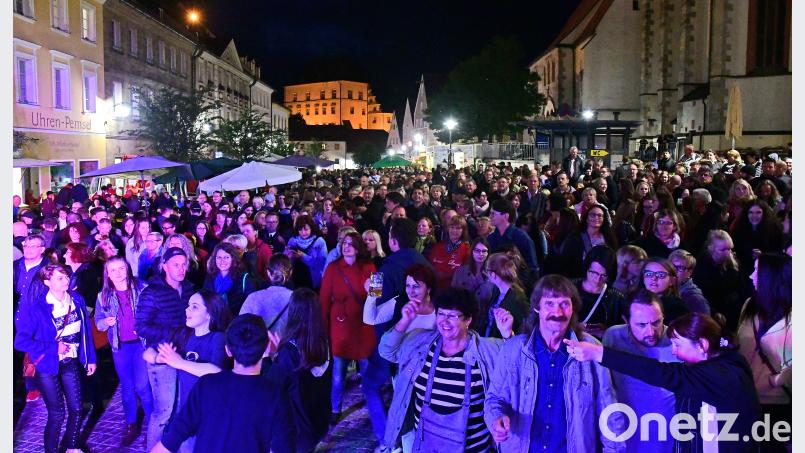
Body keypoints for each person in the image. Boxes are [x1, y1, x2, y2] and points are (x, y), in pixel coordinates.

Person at [567, 312, 761, 453]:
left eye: (678, 344)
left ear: (702, 345)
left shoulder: (722, 375)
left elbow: (660, 372)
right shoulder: (723, 364)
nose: (674, 352)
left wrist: (599, 353)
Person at [484, 274, 625, 452]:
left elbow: (609, 413)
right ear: (537, 308)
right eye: (549, 304)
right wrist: (496, 418)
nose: (557, 312)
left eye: (564, 304)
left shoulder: (591, 350)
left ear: (573, 308)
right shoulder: (513, 350)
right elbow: (494, 399)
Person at [379, 287, 505, 453]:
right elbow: (387, 351)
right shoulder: (420, 343)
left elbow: (517, 368)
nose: (444, 321)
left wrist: (507, 334)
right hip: (426, 445)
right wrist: (404, 321)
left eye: (452, 316)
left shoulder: (488, 350)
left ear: (467, 320)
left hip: (473, 448)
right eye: (441, 314)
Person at [151, 314, 293, 453]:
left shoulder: (206, 385)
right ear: (268, 347)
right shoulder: (276, 396)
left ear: (228, 350)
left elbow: (169, 442)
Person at [14, 263, 98, 453]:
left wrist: (90, 357)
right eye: (60, 278)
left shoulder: (77, 300)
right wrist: (53, 348)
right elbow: (20, 342)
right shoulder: (37, 309)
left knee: (77, 409)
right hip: (46, 365)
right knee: (57, 414)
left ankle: (71, 446)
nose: (66, 280)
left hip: (71, 361)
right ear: (47, 281)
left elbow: (86, 332)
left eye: (66, 276)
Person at [318, 231, 387, 447]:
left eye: (351, 244)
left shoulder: (369, 268)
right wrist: (322, 325)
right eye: (344, 243)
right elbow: (323, 299)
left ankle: (369, 404)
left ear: (359, 247)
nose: (346, 247)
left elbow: (377, 296)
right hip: (340, 326)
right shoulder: (333, 268)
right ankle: (335, 408)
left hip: (364, 326)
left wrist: (371, 292)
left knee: (367, 372)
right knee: (338, 374)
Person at [149, 290, 231, 453]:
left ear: (209, 313)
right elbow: (148, 352)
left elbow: (215, 371)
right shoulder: (183, 334)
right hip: (186, 410)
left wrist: (179, 362)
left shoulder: (217, 337)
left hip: (209, 412)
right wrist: (160, 358)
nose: (187, 310)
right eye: (188, 306)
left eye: (194, 307)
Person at [601, 290, 679, 453]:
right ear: (626, 320)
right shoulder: (613, 337)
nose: (650, 332)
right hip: (624, 433)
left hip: (666, 435)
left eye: (656, 322)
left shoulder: (677, 341)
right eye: (641, 325)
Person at [135, 247, 194, 451]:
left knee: (181, 408)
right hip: (162, 357)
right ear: (165, 266)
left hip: (186, 357)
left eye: (184, 264)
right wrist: (173, 334)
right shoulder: (152, 292)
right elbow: (141, 326)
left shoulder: (188, 289)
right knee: (164, 412)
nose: (181, 269)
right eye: (176, 265)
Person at [264, 288, 332, 453]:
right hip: (317, 421)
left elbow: (271, 387)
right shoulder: (322, 342)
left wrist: (267, 358)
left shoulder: (289, 351)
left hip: (295, 429)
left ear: (293, 312)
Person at [95, 257, 153, 446]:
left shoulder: (142, 288)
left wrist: (145, 325)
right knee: (127, 387)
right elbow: (98, 322)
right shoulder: (103, 295)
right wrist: (106, 322)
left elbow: (155, 312)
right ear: (108, 274)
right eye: (113, 270)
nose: (118, 272)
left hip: (141, 345)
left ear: (127, 269)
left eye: (121, 268)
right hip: (120, 347)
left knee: (143, 386)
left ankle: (154, 427)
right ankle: (132, 425)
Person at [737, 254, 791, 453]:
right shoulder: (749, 306)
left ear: (772, 278)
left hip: (777, 403)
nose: (751, 276)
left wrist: (779, 380)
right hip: (744, 398)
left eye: (757, 271)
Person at [692, 229, 750, 332]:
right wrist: (714, 312)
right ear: (711, 248)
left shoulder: (733, 263)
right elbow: (700, 295)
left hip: (734, 312)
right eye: (722, 250)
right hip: (714, 315)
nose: (728, 253)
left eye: (729, 249)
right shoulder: (700, 268)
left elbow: (742, 286)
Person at [363, 263, 438, 332]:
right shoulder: (400, 302)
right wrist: (372, 294)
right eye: (408, 286)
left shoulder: (439, 310)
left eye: (416, 286)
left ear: (428, 289)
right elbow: (370, 319)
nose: (411, 291)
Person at [573, 245, 626, 338]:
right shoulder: (569, 288)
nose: (597, 279)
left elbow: (624, 331)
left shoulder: (616, 298)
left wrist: (607, 332)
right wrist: (573, 326)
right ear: (586, 268)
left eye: (604, 275)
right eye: (593, 273)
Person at [473, 253, 529, 340]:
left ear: (493, 274)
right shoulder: (496, 290)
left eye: (486, 272)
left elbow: (525, 332)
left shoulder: (518, 300)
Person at [558, 203, 618, 278]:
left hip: (600, 279)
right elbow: (566, 261)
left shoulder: (609, 238)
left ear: (604, 219)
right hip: (577, 278)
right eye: (593, 215)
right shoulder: (575, 237)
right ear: (586, 218)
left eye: (600, 215)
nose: (596, 217)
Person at [240, 254, 294, 334]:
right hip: (286, 345)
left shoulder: (253, 298)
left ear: (268, 272)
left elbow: (240, 326)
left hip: (261, 345)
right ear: (291, 272)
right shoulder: (298, 300)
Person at [203, 243, 257, 316]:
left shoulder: (244, 278)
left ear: (233, 258)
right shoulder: (210, 276)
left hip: (235, 323)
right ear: (214, 259)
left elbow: (252, 303)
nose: (222, 261)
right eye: (219, 257)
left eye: (226, 257)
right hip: (213, 321)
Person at [486, 199, 539, 272]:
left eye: (493, 214)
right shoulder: (491, 238)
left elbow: (533, 268)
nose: (490, 216)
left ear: (505, 216)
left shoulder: (521, 237)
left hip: (517, 281)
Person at [427, 215, 470, 290]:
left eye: (458, 228)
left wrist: (446, 275)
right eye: (452, 227)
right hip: (434, 287)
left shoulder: (466, 250)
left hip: (454, 289)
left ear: (463, 231)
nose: (454, 231)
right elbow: (429, 265)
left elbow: (465, 273)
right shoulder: (438, 246)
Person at [286, 215, 328, 289]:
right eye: (300, 230)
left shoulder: (319, 242)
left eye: (306, 229)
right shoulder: (292, 240)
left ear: (311, 228)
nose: (303, 233)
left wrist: (303, 257)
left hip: (313, 281)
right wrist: (289, 256)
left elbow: (322, 264)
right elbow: (285, 262)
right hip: (295, 279)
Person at [668, 249, 711, 315]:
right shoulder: (667, 290)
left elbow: (703, 324)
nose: (674, 271)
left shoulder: (695, 299)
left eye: (680, 268)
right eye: (672, 266)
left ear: (689, 272)